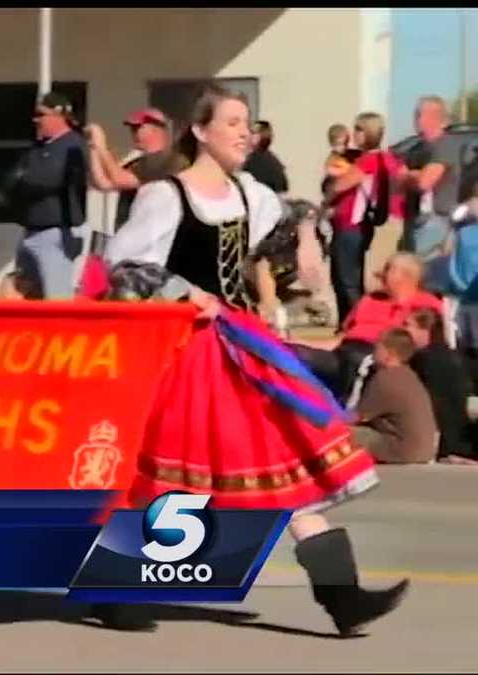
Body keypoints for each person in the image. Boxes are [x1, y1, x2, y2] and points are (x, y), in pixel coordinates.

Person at [103, 84, 407, 635]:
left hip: (242, 345)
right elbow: (122, 264)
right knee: (179, 473)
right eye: (233, 121)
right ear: (200, 131)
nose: (245, 131)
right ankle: (121, 588)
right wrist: (181, 292)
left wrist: (308, 238)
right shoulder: (167, 195)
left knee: (281, 457)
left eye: (248, 122)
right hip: (189, 350)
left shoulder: (250, 193)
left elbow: (286, 242)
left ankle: (343, 597)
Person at [290, 253, 443, 402]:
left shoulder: (425, 304)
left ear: (407, 276)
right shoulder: (370, 299)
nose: (382, 274)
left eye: (389, 269)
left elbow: (426, 343)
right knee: (292, 354)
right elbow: (341, 339)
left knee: (355, 360)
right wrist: (299, 341)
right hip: (343, 354)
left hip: (376, 358)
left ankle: (345, 414)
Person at [3, 92, 90, 299]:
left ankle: (64, 332)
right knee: (23, 294)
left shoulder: (73, 145)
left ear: (58, 116)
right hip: (30, 230)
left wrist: (25, 180)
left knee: (56, 297)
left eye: (41, 114)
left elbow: (49, 180)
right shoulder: (39, 147)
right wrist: (23, 181)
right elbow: (10, 181)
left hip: (56, 233)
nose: (36, 120)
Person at [325, 112, 405, 323]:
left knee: (346, 279)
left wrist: (329, 191)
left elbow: (338, 186)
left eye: (358, 129)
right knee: (356, 277)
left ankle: (353, 323)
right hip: (371, 225)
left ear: (366, 133)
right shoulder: (391, 159)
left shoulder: (367, 161)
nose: (354, 134)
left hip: (351, 225)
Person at [86, 108, 189, 230]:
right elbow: (104, 183)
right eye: (132, 129)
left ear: (156, 129)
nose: (133, 133)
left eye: (137, 128)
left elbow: (119, 179)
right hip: (130, 229)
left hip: (150, 233)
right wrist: (94, 147)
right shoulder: (137, 160)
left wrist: (102, 146)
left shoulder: (168, 160)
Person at [350, 328, 438, 464]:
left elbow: (357, 417)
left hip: (404, 451)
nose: (373, 349)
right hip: (425, 450)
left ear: (389, 354)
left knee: (346, 434)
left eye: (378, 346)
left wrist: (321, 418)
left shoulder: (384, 379)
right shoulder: (409, 375)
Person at [398, 96, 463, 263]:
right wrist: (411, 176)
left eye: (419, 114)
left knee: (424, 275)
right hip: (417, 220)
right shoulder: (420, 148)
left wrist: (409, 175)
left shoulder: (445, 144)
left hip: (435, 222)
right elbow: (397, 183)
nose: (416, 119)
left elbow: (424, 182)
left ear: (434, 117)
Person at [404, 308, 473, 460]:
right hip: (458, 434)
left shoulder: (420, 360)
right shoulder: (454, 356)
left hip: (438, 434)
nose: (404, 330)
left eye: (408, 325)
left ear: (425, 330)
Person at [242, 120, 289, 195]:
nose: (247, 135)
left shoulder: (254, 160)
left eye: (252, 132)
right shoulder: (272, 159)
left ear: (260, 137)